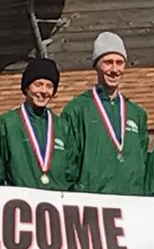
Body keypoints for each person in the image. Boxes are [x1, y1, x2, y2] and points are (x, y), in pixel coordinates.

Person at [62, 32, 148, 195]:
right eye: (108, 63)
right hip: (93, 204)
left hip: (132, 202)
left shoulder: (136, 114)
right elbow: (68, 163)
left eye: (119, 63)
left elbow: (143, 161)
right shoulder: (77, 110)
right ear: (96, 65)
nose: (114, 69)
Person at [0, 58, 77, 190]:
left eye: (49, 86)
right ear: (27, 87)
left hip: (55, 204)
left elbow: (71, 172)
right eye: (38, 84)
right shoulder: (6, 124)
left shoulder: (62, 126)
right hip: (20, 204)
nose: (43, 91)